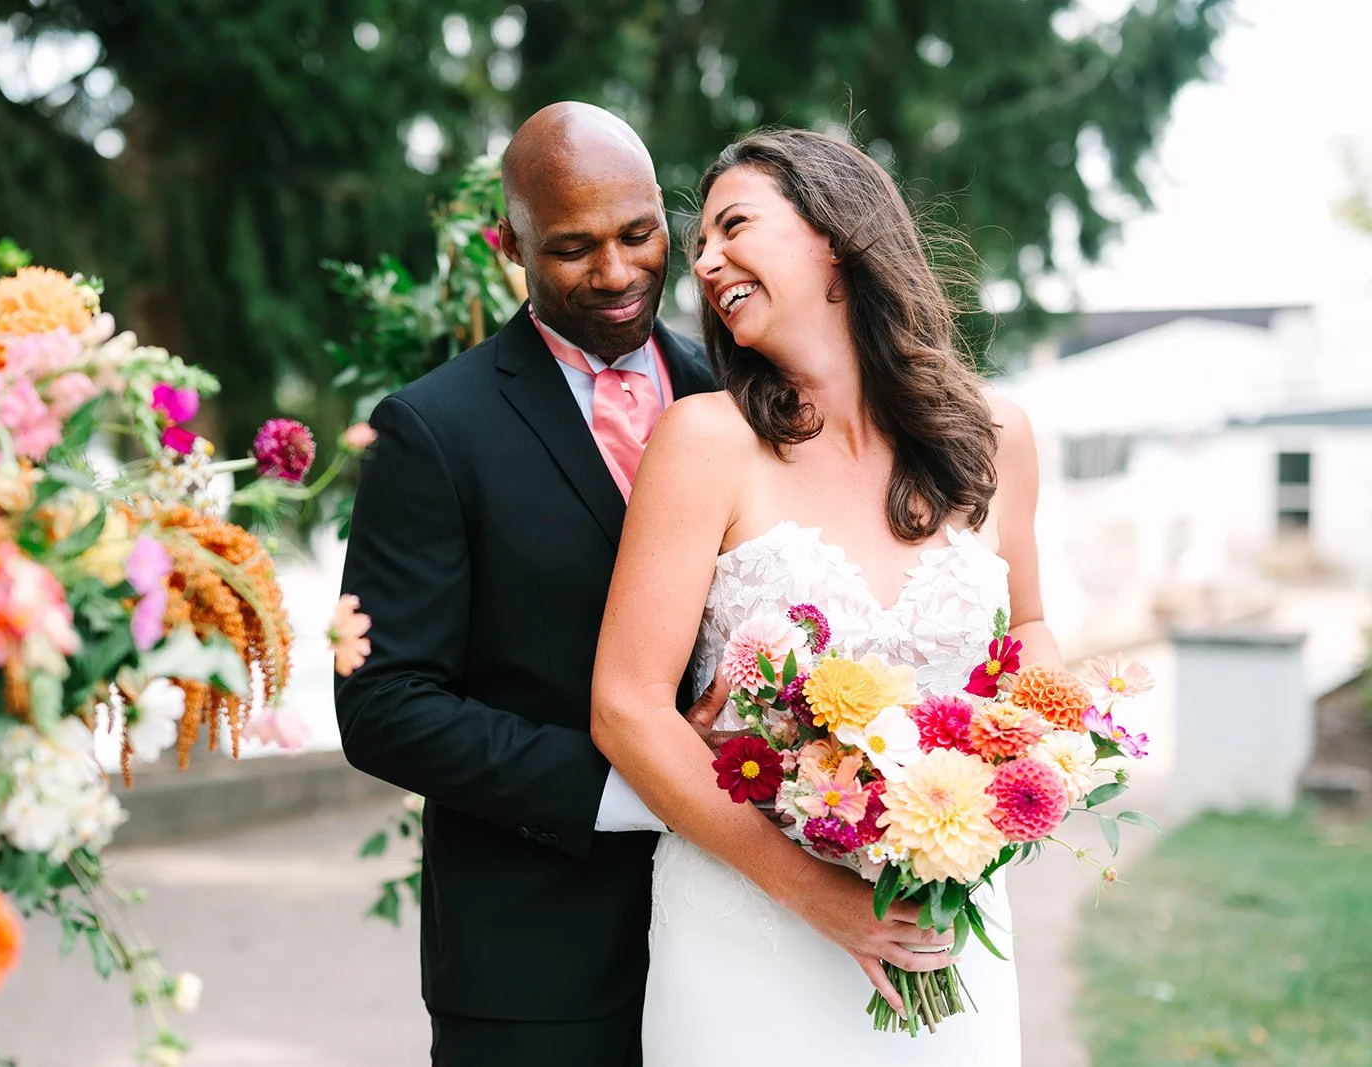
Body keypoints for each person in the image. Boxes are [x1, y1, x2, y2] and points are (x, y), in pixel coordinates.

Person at [590, 128, 1057, 1063]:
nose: (708, 262)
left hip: (940, 923)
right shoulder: (704, 441)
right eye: (700, 250)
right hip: (748, 937)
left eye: (734, 226)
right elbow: (625, 705)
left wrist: (1034, 758)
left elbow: (1031, 628)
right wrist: (815, 893)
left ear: (835, 237)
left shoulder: (995, 433)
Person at [335, 102, 719, 1067]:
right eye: (574, 248)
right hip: (533, 969)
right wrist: (645, 786)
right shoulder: (431, 431)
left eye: (639, 234)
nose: (619, 272)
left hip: (739, 942)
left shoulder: (738, 395)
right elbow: (383, 704)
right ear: (507, 243)